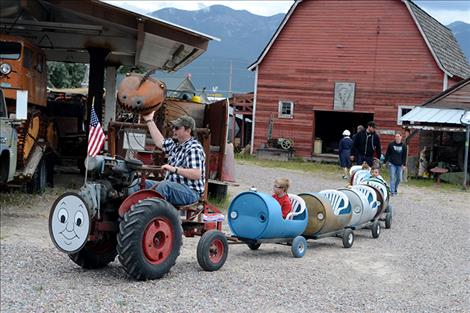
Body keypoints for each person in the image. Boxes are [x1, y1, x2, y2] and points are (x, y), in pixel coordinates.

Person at [129, 112, 206, 206]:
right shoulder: (176, 145)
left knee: (164, 186)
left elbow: (196, 174)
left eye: (177, 128)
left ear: (188, 131)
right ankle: (130, 213)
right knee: (137, 183)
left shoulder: (194, 148)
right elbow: (159, 142)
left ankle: (150, 215)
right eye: (173, 127)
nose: (173, 130)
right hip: (172, 186)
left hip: (190, 192)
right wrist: (149, 120)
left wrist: (174, 169)